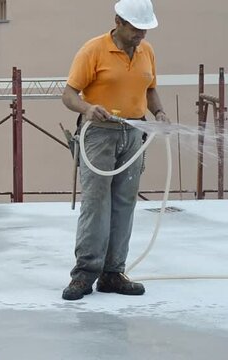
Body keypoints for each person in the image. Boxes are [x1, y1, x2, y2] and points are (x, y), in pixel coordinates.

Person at [61, 0, 170, 301]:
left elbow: (149, 89)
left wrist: (159, 112)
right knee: (96, 202)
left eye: (145, 29)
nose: (141, 35)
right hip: (99, 133)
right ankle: (84, 274)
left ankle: (113, 273)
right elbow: (68, 94)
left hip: (133, 133)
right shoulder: (93, 50)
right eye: (136, 29)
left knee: (124, 202)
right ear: (119, 22)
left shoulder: (147, 52)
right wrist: (88, 107)